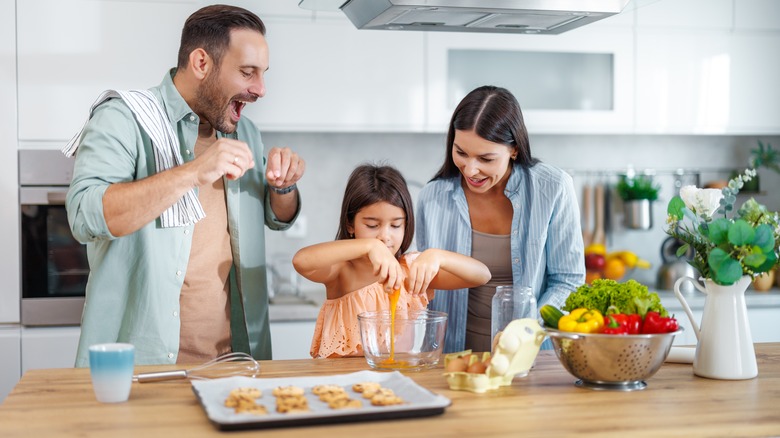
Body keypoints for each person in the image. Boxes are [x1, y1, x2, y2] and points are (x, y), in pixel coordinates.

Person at [65, 5, 305, 367]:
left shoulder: (245, 132)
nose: (261, 89)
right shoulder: (124, 118)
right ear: (201, 63)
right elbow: (85, 216)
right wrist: (192, 172)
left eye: (262, 74)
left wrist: (283, 187)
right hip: (141, 366)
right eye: (247, 72)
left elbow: (277, 218)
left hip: (233, 362)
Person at [416, 85, 585, 353]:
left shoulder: (553, 188)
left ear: (514, 149)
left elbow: (568, 281)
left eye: (486, 158)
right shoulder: (433, 197)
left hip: (530, 357)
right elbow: (427, 287)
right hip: (451, 359)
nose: (471, 169)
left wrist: (527, 331)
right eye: (461, 152)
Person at [292, 164, 491, 358]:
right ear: (350, 225)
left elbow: (481, 275)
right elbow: (301, 260)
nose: (385, 236)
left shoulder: (410, 271)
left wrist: (438, 256)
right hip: (339, 384)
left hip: (395, 381)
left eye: (395, 225)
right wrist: (370, 246)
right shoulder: (342, 270)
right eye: (372, 225)